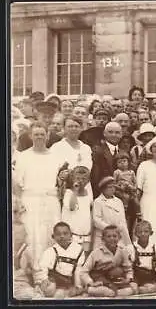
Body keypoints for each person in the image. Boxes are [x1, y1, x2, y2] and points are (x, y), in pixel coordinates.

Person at [14, 122, 64, 269]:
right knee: (33, 235)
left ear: (47, 136)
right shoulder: (23, 156)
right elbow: (17, 183)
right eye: (36, 134)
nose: (40, 137)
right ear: (31, 136)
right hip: (30, 201)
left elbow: (60, 182)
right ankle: (34, 269)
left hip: (51, 201)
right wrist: (20, 203)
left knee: (51, 232)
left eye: (42, 134)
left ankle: (51, 270)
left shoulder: (56, 156)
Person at [81, 225, 138, 297]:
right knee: (106, 292)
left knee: (133, 289)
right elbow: (83, 272)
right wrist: (90, 282)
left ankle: (114, 292)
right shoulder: (96, 252)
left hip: (116, 280)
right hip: (100, 280)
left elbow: (128, 269)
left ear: (119, 238)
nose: (112, 239)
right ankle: (91, 289)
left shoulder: (123, 251)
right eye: (108, 236)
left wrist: (128, 279)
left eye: (114, 236)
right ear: (103, 239)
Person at [36, 222, 85, 298]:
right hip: (54, 278)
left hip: (69, 279)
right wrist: (44, 279)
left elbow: (78, 269)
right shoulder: (50, 250)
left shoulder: (78, 249)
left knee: (79, 289)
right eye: (58, 234)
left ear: (71, 235)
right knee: (49, 290)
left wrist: (78, 285)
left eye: (65, 233)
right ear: (53, 236)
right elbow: (43, 267)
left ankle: (67, 291)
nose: (62, 236)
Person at [92, 177, 131, 250]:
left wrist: (125, 238)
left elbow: (122, 221)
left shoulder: (118, 201)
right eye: (109, 187)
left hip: (117, 236)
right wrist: (110, 229)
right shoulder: (98, 201)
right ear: (103, 189)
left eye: (114, 186)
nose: (112, 189)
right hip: (102, 236)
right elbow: (96, 220)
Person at [128, 220, 156, 293]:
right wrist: (130, 279)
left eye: (146, 231)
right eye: (140, 232)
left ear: (151, 233)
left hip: (149, 277)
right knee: (133, 289)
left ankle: (144, 289)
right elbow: (128, 267)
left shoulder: (155, 247)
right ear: (136, 234)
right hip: (136, 277)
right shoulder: (131, 247)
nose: (143, 234)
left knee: (149, 289)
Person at [61, 166, 93, 254]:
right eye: (78, 178)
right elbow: (72, 207)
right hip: (73, 234)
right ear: (73, 179)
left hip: (85, 234)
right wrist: (75, 191)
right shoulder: (69, 193)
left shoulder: (88, 192)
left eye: (84, 178)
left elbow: (89, 209)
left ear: (88, 181)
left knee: (84, 256)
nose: (81, 181)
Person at [90, 122, 122, 197]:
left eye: (117, 132)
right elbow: (95, 177)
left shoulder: (123, 151)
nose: (114, 135)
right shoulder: (97, 151)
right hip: (103, 194)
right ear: (104, 133)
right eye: (110, 132)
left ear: (121, 135)